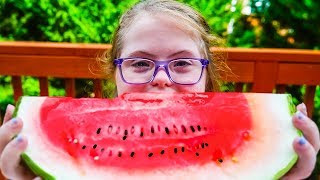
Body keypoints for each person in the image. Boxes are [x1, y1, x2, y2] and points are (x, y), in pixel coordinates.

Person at [0, 0, 319, 179]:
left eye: (182, 63)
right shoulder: (80, 144)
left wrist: (279, 172)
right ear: (115, 71)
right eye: (140, 63)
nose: (162, 78)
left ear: (207, 73)